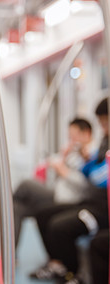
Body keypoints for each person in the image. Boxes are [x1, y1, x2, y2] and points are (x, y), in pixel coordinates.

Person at [0, 118, 94, 267]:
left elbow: (84, 185)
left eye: (74, 136)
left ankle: (1, 204)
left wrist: (62, 170)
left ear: (86, 134)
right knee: (16, 207)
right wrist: (63, 157)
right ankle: (9, 257)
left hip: (67, 199)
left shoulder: (91, 154)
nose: (71, 140)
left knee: (26, 184)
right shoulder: (72, 153)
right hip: (56, 193)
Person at [30, 98, 109, 284]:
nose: (103, 127)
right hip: (91, 202)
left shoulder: (100, 145)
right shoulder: (105, 141)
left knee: (60, 226)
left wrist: (85, 164)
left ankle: (74, 275)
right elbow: (93, 172)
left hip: (103, 210)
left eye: (105, 123)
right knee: (42, 214)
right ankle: (59, 265)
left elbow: (100, 178)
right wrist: (83, 161)